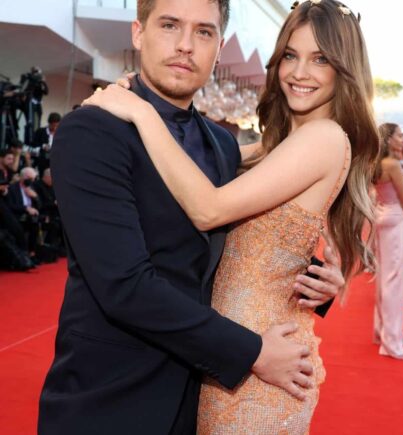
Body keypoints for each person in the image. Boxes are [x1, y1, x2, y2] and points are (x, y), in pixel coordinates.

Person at [38, 1, 345, 434]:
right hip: (112, 398)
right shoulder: (92, 132)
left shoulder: (221, 145)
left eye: (203, 32)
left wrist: (321, 283)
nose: (185, 45)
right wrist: (253, 352)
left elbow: (245, 243)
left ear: (219, 48)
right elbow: (124, 287)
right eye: (169, 25)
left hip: (202, 396)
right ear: (138, 33)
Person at [373, 123, 403, 360]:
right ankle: (391, 341)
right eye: (400, 136)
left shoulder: (379, 162)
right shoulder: (391, 164)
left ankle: (382, 331)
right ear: (389, 139)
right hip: (395, 219)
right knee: (393, 282)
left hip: (381, 217)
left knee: (384, 278)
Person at [31, 112, 61, 176]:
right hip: (42, 158)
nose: (55, 128)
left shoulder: (60, 133)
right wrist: (43, 146)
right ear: (49, 123)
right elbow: (33, 144)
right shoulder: (40, 131)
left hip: (55, 159)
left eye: (57, 126)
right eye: (53, 125)